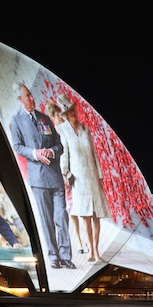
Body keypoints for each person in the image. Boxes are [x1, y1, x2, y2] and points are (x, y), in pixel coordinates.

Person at [9, 83, 74, 269]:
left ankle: (65, 255)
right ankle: (53, 256)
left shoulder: (45, 118)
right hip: (38, 179)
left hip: (54, 176)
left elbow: (59, 145)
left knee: (61, 217)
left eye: (31, 95)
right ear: (20, 99)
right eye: (27, 96)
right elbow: (18, 147)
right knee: (46, 219)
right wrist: (36, 153)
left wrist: (51, 152)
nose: (31, 98)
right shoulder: (16, 120)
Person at [56, 93, 110, 263]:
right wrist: (65, 173)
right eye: (70, 111)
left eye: (74, 109)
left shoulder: (85, 128)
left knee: (96, 215)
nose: (74, 112)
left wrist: (100, 175)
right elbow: (64, 154)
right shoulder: (63, 130)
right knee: (85, 215)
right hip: (78, 179)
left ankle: (96, 250)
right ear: (65, 113)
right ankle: (90, 251)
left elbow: (94, 154)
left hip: (92, 175)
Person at [47, 100, 87, 256]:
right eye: (55, 114)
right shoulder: (52, 134)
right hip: (62, 177)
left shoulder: (67, 129)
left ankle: (85, 240)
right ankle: (78, 241)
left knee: (81, 208)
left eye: (59, 113)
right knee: (73, 211)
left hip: (74, 173)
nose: (58, 116)